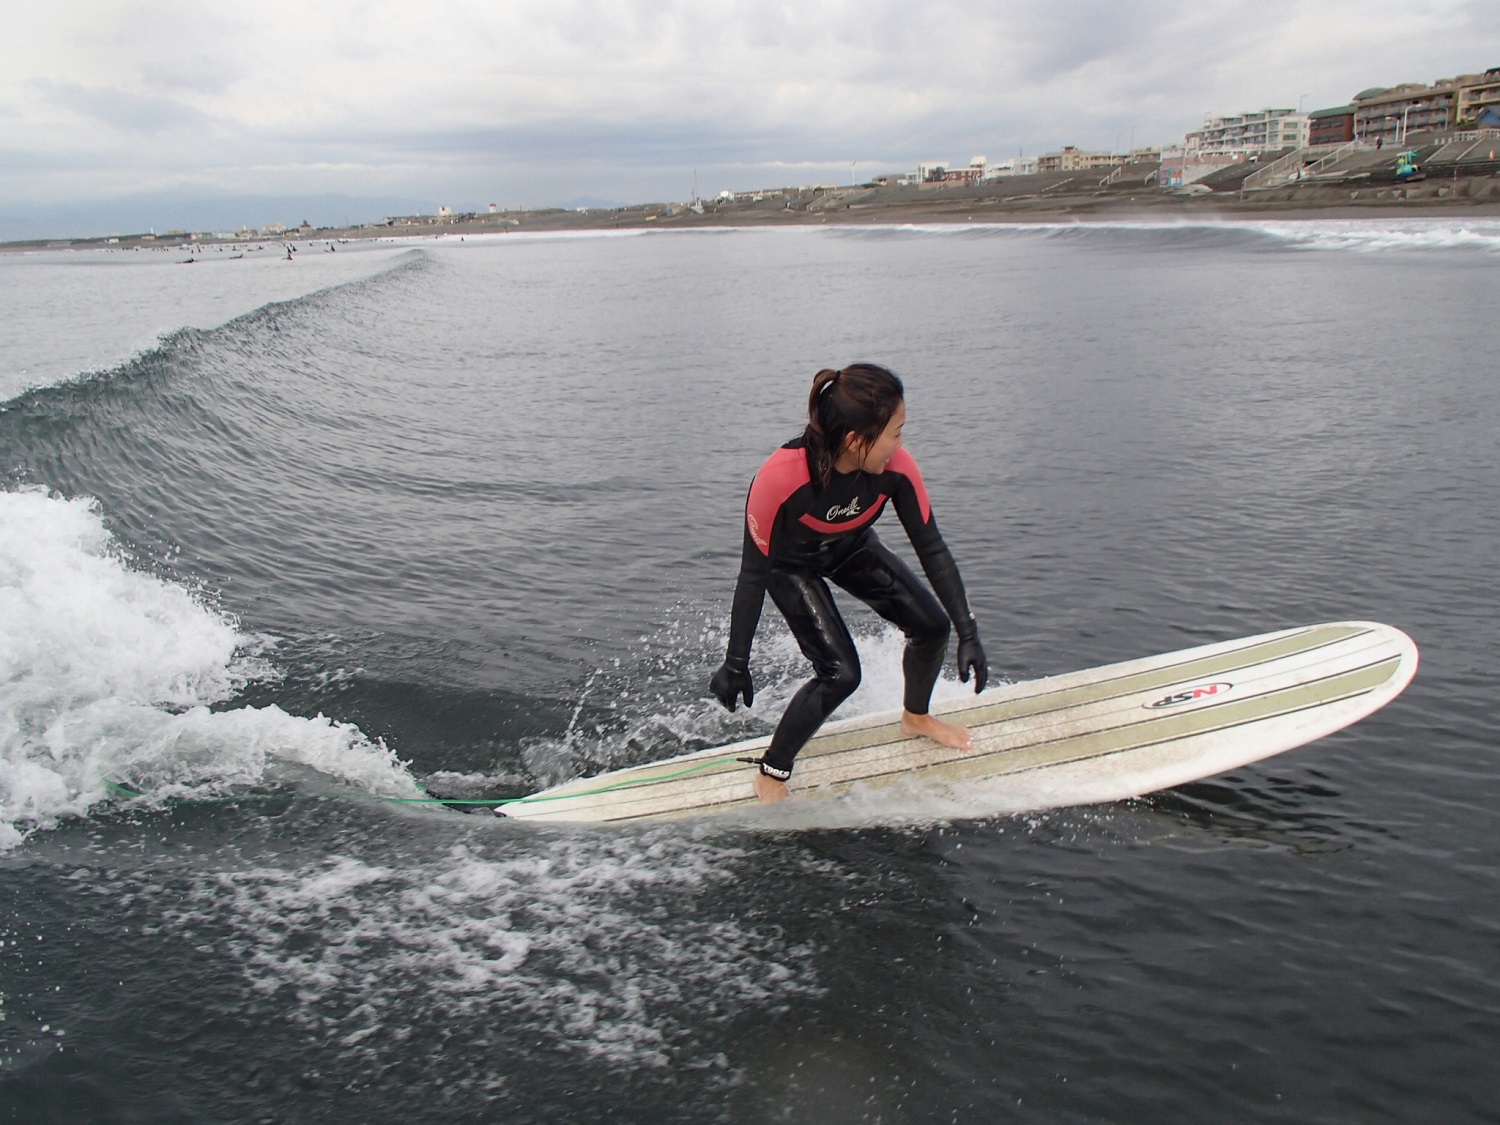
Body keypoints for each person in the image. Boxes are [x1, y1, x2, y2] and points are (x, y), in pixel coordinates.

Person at [709, 363, 988, 803]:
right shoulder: (781, 477)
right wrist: (736, 662)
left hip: (851, 548)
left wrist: (967, 632)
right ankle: (772, 771)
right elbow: (752, 574)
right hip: (790, 565)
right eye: (895, 433)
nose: (901, 444)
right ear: (857, 440)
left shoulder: (897, 469)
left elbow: (932, 548)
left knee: (932, 627)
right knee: (841, 673)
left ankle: (916, 717)